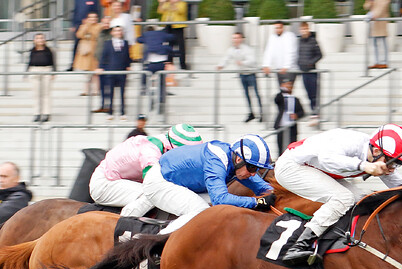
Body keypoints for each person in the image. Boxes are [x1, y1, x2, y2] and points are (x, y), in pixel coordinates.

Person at [276, 124, 402, 265]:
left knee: (361, 201)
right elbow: (327, 159)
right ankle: (298, 246)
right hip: (291, 167)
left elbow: (401, 186)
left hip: (315, 169)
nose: (392, 169)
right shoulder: (351, 142)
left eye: (398, 165)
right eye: (393, 163)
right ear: (376, 150)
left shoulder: (376, 156)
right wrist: (364, 166)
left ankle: (333, 240)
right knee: (344, 198)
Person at [141, 134, 275, 234]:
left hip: (179, 181)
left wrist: (274, 195)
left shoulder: (235, 160)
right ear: (239, 159)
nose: (253, 173)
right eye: (252, 168)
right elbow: (220, 200)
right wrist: (257, 202)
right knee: (201, 210)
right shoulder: (217, 161)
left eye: (257, 170)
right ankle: (158, 244)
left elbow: (262, 187)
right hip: (160, 182)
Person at [91, 124, 201, 217]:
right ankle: (122, 229)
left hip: (121, 180)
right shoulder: (151, 149)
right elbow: (152, 184)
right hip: (104, 184)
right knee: (153, 193)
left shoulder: (165, 145)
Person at [217, 32, 262, 123]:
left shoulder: (247, 49)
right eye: (234, 38)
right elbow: (226, 58)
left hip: (251, 73)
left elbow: (252, 60)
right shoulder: (231, 50)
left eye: (237, 38)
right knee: (246, 94)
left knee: (256, 94)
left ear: (241, 39)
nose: (236, 40)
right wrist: (221, 65)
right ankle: (251, 113)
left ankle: (261, 113)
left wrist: (242, 63)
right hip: (242, 74)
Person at [97, 25, 132, 121]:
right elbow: (104, 56)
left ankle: (122, 112)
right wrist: (101, 67)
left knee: (122, 93)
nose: (118, 32)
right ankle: (110, 112)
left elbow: (127, 57)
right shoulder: (108, 43)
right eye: (116, 31)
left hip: (122, 71)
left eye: (120, 31)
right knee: (111, 92)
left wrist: (128, 66)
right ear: (112, 32)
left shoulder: (125, 43)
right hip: (111, 71)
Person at [137, 25, 173, 112]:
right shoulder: (161, 34)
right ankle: (161, 102)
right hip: (161, 62)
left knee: (146, 80)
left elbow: (138, 40)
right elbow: (171, 37)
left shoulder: (146, 35)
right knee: (161, 84)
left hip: (150, 64)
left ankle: (148, 95)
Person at [26, 33, 56, 123]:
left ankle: (46, 113)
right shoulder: (32, 50)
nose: (39, 40)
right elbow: (29, 62)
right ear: (34, 40)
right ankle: (37, 113)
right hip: (34, 70)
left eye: (41, 38)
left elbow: (53, 61)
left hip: (46, 69)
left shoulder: (48, 50)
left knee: (46, 93)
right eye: (37, 38)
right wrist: (26, 73)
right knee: (36, 93)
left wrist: (54, 72)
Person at [274, 75, 305, 158]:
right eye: (287, 85)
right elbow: (277, 100)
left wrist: (296, 115)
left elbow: (302, 112)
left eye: (290, 85)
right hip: (281, 125)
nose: (289, 87)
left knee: (292, 145)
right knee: (280, 145)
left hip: (291, 126)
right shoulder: (281, 97)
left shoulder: (295, 99)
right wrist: (283, 89)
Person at [297, 22, 322, 125]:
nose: (304, 31)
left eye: (305, 29)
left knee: (314, 93)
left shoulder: (313, 40)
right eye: (302, 29)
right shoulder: (299, 41)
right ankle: (313, 113)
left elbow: (320, 55)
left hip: (311, 71)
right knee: (308, 93)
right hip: (303, 71)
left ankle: (315, 114)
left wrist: (311, 63)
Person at [74, 12, 104, 96]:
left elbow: (96, 35)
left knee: (95, 72)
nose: (92, 19)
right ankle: (85, 90)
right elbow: (79, 35)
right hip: (86, 51)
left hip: (95, 49)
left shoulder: (99, 26)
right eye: (90, 18)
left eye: (94, 18)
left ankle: (96, 90)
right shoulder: (83, 26)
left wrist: (91, 28)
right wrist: (86, 26)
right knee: (86, 73)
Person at [262, 22, 299, 87]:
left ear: (283, 28)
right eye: (276, 28)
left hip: (289, 70)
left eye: (279, 28)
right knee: (283, 91)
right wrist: (266, 65)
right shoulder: (272, 37)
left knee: (287, 91)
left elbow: (291, 52)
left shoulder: (289, 36)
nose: (277, 30)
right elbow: (269, 51)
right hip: (279, 69)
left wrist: (286, 66)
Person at [69, 0, 101, 71]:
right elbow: (75, 11)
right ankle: (72, 64)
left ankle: (92, 65)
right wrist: (73, 24)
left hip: (91, 24)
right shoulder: (78, 1)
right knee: (76, 45)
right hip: (79, 24)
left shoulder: (94, 1)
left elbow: (97, 11)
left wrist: (93, 21)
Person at [157, 0, 188, 70]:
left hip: (178, 26)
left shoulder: (182, 3)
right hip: (168, 25)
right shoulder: (167, 3)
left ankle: (183, 64)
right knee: (169, 45)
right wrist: (161, 3)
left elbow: (181, 11)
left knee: (181, 46)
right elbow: (160, 11)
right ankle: (169, 62)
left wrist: (174, 4)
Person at [0, 162, 33, 227]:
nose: (1, 180)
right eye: (0, 176)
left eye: (5, 176)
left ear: (16, 178)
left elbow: (2, 214)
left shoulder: (20, 197)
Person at [92, 15, 113, 114]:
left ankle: (109, 106)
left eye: (108, 23)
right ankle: (103, 105)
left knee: (110, 86)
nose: (106, 25)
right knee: (102, 86)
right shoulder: (100, 33)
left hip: (110, 63)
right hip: (101, 63)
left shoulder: (112, 34)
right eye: (104, 23)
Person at [365, 0, 390, 69]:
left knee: (382, 42)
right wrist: (370, 2)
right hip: (373, 22)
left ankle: (384, 62)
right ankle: (377, 62)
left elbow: (383, 5)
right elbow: (366, 7)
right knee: (374, 43)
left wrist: (374, 14)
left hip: (380, 21)